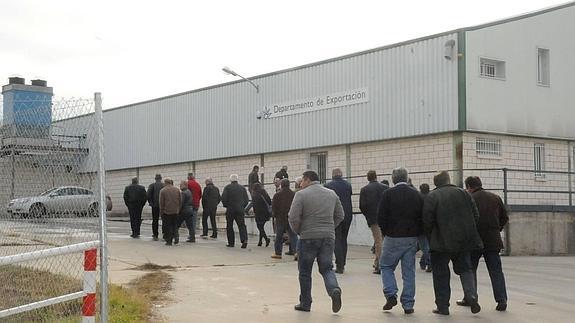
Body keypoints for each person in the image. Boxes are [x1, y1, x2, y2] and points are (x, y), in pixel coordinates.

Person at [423, 171, 483, 316]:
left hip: (441, 242)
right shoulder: (464, 193)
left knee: (441, 274)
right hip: (464, 240)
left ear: (436, 183)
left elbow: (427, 220)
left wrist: (431, 237)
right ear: (448, 180)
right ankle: (472, 295)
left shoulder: (432, 196)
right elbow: (476, 215)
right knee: (465, 268)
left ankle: (443, 306)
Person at [288, 170, 344, 313]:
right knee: (326, 268)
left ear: (307, 179)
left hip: (307, 237)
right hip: (328, 237)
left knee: (305, 271)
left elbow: (293, 217)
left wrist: (299, 231)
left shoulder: (301, 195)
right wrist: (329, 228)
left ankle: (305, 303)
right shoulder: (331, 194)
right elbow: (340, 215)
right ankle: (334, 289)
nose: (300, 184)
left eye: (301, 181)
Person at [377, 167, 423, 315]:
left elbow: (381, 216)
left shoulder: (388, 194)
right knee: (409, 272)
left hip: (392, 236)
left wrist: (385, 232)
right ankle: (408, 304)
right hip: (411, 237)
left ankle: (391, 294)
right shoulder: (416, 195)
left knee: (385, 265)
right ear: (407, 178)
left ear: (393, 178)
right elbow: (422, 217)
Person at [461, 176, 509, 312]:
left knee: (470, 270)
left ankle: (471, 297)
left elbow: (466, 220)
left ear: (469, 187)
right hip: (493, 240)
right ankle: (502, 299)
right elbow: (504, 217)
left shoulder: (469, 199)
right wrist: (496, 229)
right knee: (496, 271)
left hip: (474, 240)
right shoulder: (495, 197)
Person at [359, 170, 388, 274]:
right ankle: (377, 262)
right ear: (376, 176)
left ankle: (380, 264)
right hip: (385, 218)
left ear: (368, 178)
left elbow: (362, 206)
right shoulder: (385, 188)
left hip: (373, 219)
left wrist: (368, 215)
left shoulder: (364, 190)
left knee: (378, 242)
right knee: (382, 241)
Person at [324, 168, 353, 274]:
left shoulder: (328, 186)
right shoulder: (348, 185)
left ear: (332, 175)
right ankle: (343, 263)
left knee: (336, 239)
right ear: (341, 175)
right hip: (348, 215)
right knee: (344, 240)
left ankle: (339, 265)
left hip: (334, 216)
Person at [271, 179, 298, 259]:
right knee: (293, 236)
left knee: (279, 236)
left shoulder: (277, 195)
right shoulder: (294, 194)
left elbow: (274, 207)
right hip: (290, 218)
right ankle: (296, 252)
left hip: (280, 218)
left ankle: (278, 253)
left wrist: (275, 216)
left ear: (281, 185)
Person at [221, 174, 250, 248]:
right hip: (240, 209)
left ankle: (231, 242)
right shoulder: (242, 188)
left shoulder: (227, 187)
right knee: (242, 225)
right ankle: (244, 240)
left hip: (230, 209)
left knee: (229, 226)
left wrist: (226, 205)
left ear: (230, 180)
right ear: (237, 179)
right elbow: (246, 199)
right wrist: (242, 206)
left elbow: (223, 198)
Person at [159, 178, 181, 246]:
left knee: (168, 226)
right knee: (175, 225)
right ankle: (176, 238)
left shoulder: (163, 191)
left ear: (165, 183)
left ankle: (169, 240)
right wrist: (178, 209)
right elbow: (180, 201)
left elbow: (161, 202)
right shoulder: (177, 190)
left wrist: (161, 211)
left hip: (167, 211)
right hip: (175, 211)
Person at [251, 183, 272, 247]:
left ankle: (266, 239)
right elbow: (269, 201)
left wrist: (254, 212)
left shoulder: (254, 195)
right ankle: (260, 241)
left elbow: (254, 205)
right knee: (261, 227)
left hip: (258, 213)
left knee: (259, 227)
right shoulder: (264, 193)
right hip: (265, 213)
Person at [418, 183, 432, 272]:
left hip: (421, 225)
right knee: (427, 245)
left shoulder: (419, 199)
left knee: (424, 246)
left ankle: (429, 263)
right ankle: (423, 262)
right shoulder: (431, 198)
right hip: (430, 225)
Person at [147, 174, 164, 241]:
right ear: (161, 178)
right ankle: (164, 233)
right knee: (164, 220)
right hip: (163, 205)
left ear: (155, 178)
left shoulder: (152, 185)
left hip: (155, 206)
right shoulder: (164, 185)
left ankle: (155, 234)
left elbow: (148, 195)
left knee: (155, 220)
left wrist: (150, 202)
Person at [187, 173, 202, 241]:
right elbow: (200, 195)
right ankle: (192, 235)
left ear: (188, 177)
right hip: (196, 204)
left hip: (189, 205)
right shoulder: (198, 184)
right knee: (194, 220)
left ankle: (191, 235)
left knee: (189, 221)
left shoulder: (187, 183)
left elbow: (185, 194)